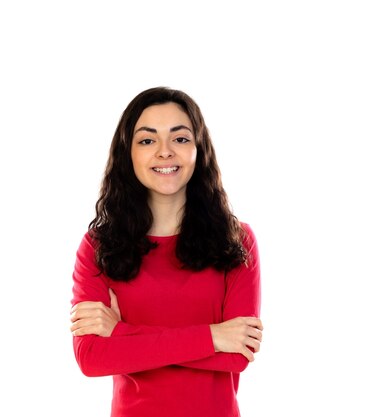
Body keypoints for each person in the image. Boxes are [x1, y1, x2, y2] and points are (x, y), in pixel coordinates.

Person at [69, 86, 263, 417]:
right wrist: (213, 337)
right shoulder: (99, 247)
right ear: (128, 153)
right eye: (147, 140)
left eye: (180, 138)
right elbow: (92, 358)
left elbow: (237, 355)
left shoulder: (237, 240)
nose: (164, 152)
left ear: (199, 149)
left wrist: (121, 334)